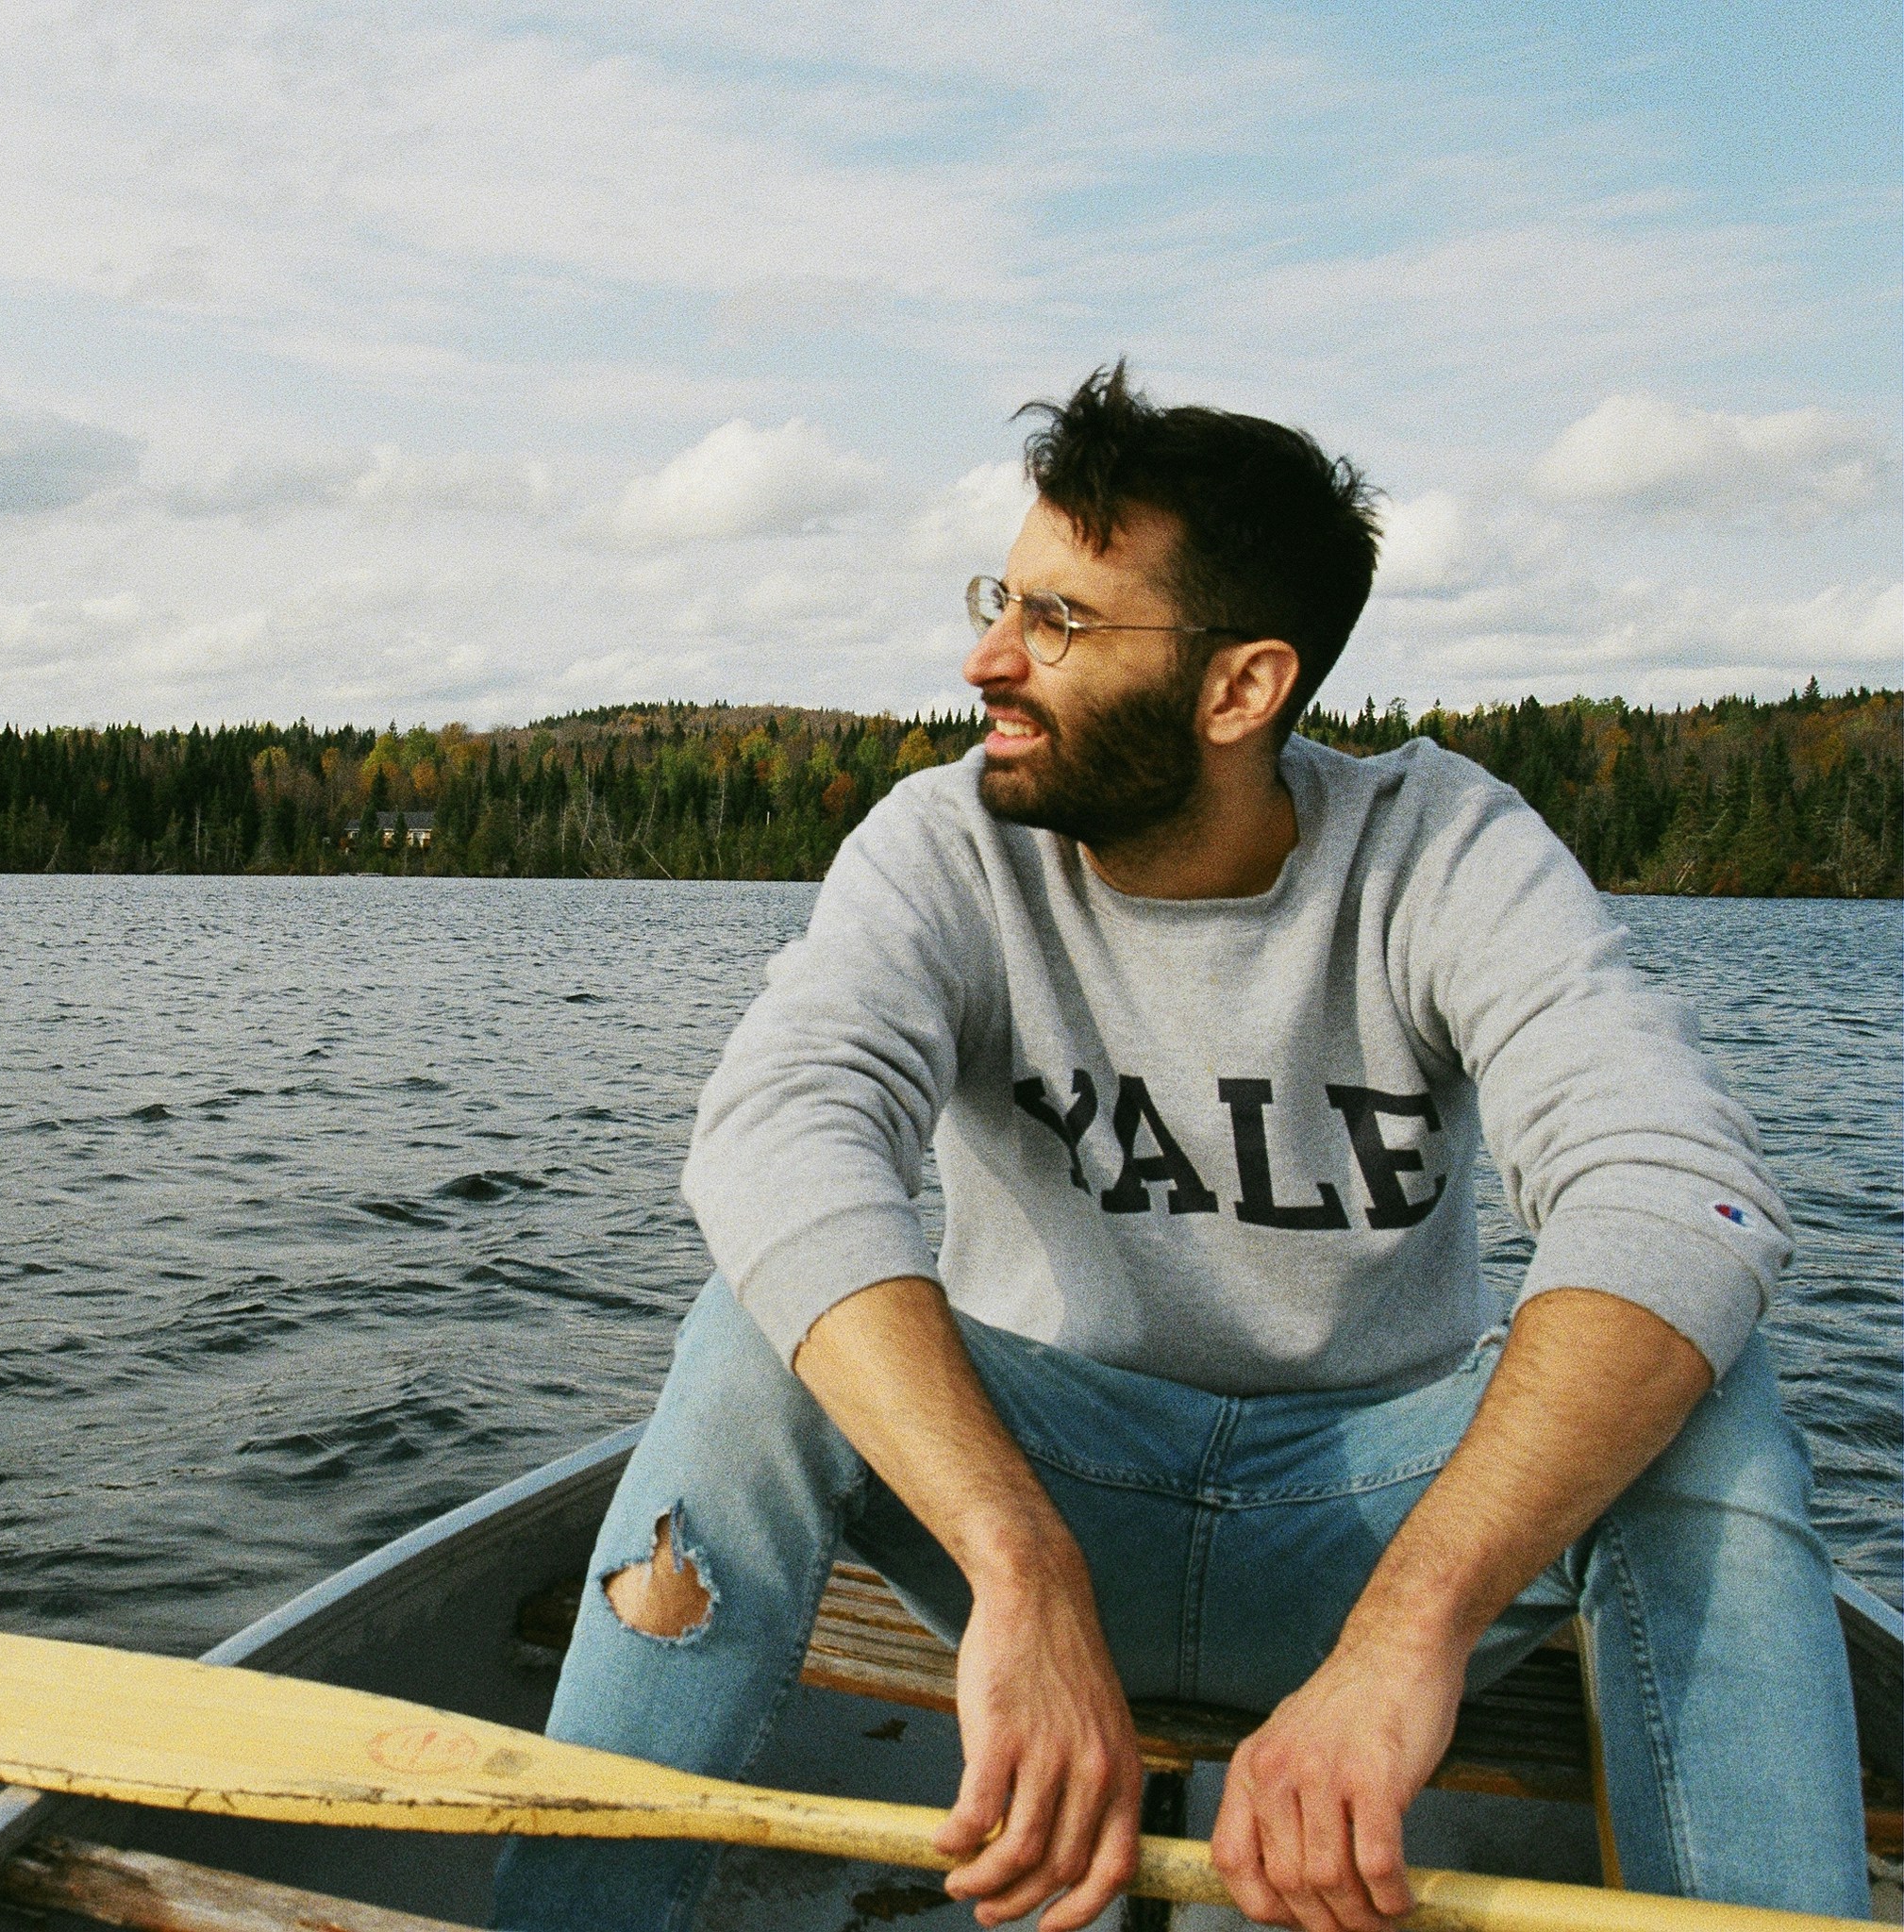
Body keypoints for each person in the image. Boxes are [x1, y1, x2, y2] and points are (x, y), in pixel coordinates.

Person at [493, 364, 1868, 1932]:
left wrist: (1404, 1632)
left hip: (1369, 1529)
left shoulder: (1442, 851)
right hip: (1042, 1497)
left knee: (1701, 1388)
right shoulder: (949, 848)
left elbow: (1676, 1192)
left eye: (1061, 625)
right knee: (754, 1326)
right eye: (1001, 600)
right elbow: (775, 1136)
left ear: (1240, 690)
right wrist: (1019, 1563)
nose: (986, 659)